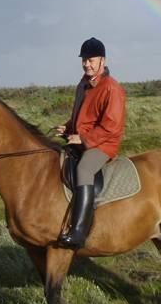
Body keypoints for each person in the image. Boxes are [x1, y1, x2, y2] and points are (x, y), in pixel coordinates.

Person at [54, 37, 126, 249]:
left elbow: (111, 127)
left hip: (103, 144)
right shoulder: (83, 84)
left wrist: (83, 139)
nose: (87, 64)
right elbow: (81, 117)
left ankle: (78, 232)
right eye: (84, 59)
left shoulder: (112, 89)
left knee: (84, 169)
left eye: (91, 59)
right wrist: (67, 128)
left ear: (102, 60)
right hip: (82, 139)